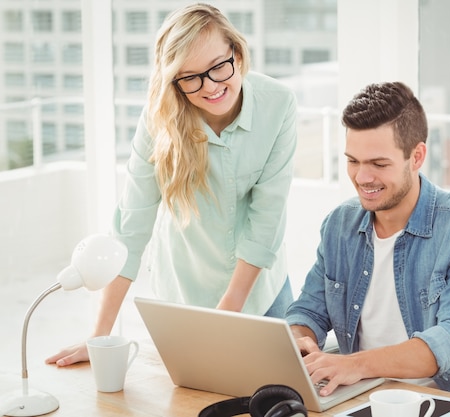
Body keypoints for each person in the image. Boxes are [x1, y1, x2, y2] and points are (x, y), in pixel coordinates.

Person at [47, 3, 297, 366]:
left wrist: (227, 313)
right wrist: (99, 336)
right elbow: (130, 229)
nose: (210, 86)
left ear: (237, 53)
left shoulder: (278, 105)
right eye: (190, 77)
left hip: (261, 293)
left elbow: (267, 221)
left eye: (217, 67)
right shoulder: (159, 118)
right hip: (184, 298)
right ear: (174, 81)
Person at [286, 81, 450, 396]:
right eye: (353, 161)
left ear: (416, 157)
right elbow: (308, 310)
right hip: (359, 396)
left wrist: (355, 365)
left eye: (378, 164)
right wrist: (300, 340)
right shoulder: (340, 225)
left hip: (442, 399)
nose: (362, 177)